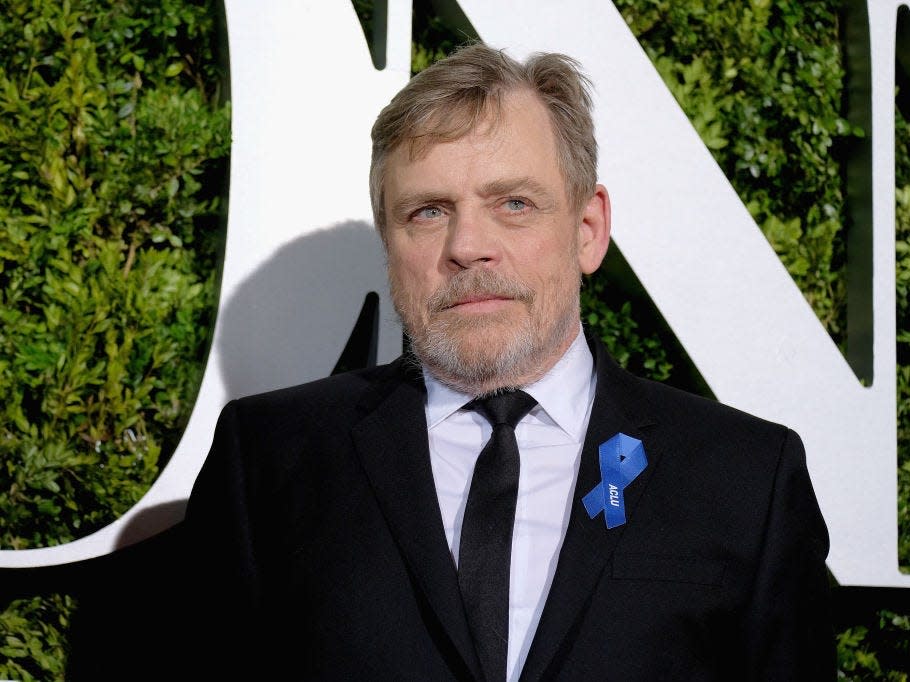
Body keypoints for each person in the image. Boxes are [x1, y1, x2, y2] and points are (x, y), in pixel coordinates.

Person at [180, 42, 834, 680]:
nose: (468, 247)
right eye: (428, 211)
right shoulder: (267, 461)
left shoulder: (746, 478)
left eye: (513, 204)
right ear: (390, 241)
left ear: (588, 230)